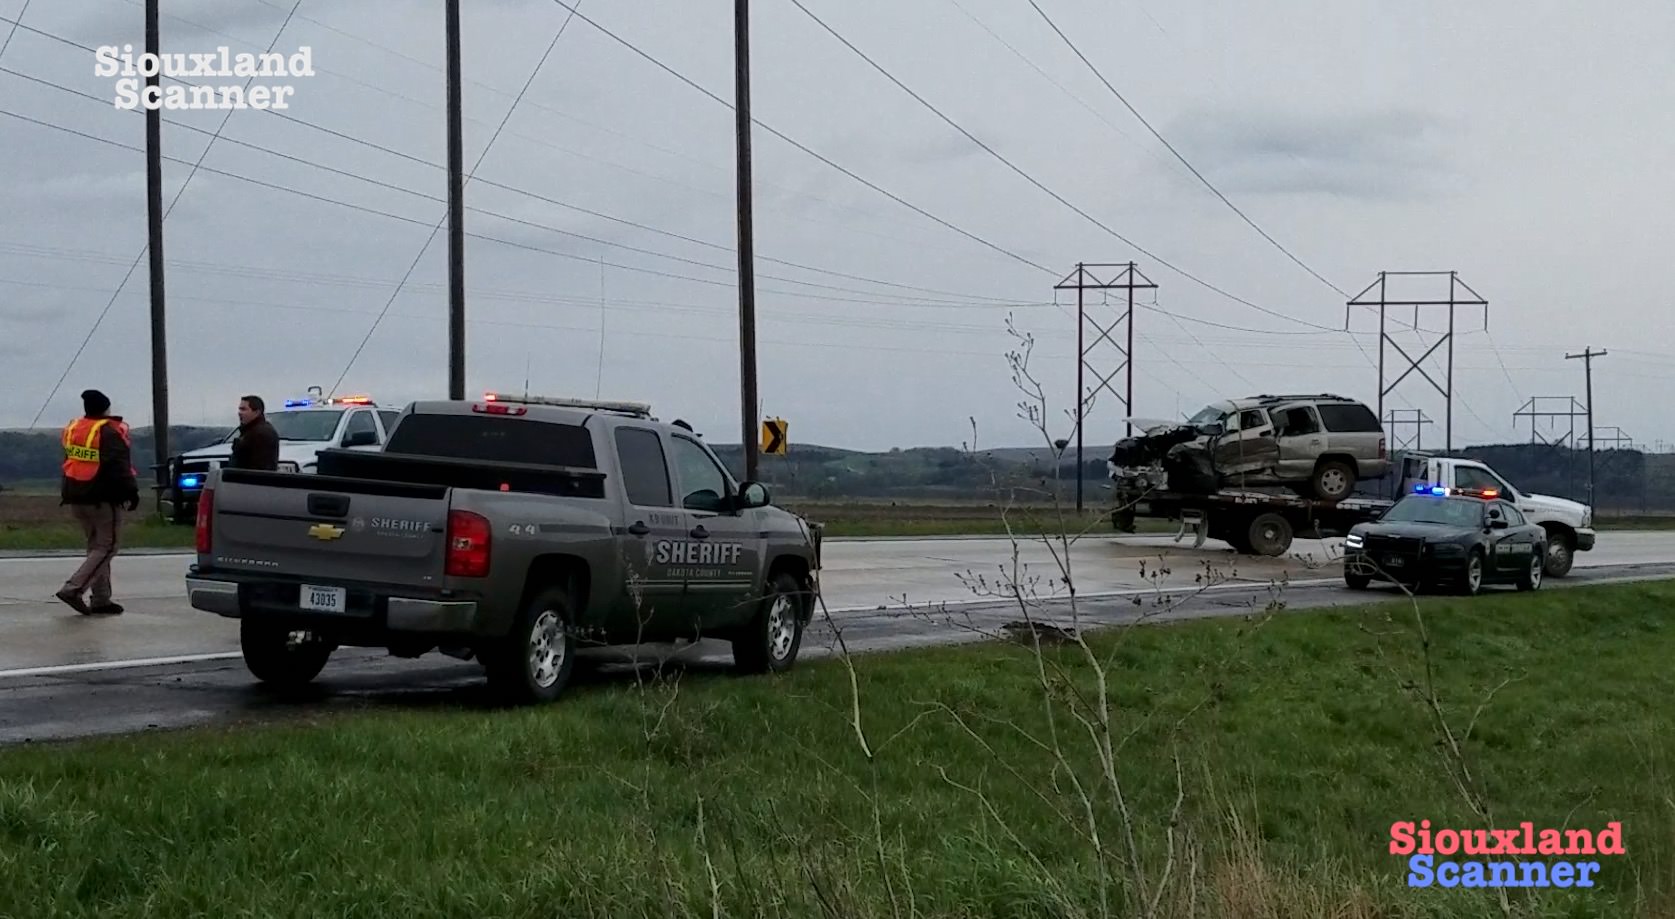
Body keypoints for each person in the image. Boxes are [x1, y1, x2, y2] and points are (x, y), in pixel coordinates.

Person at [55, 388, 139, 616]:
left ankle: (101, 599)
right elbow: (120, 467)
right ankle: (73, 589)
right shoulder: (109, 433)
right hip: (103, 498)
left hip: (76, 495)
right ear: (105, 409)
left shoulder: (74, 429)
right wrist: (132, 492)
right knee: (107, 546)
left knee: (96, 547)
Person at [228, 394, 280, 471]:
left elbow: (260, 469)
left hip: (250, 481)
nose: (239, 413)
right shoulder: (249, 431)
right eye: (239, 409)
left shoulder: (262, 434)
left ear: (257, 412)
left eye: (243, 409)